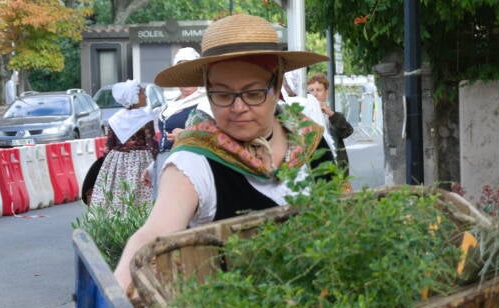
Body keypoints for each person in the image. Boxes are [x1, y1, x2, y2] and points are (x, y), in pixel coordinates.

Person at [113, 13, 333, 290]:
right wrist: (117, 292)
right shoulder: (194, 159)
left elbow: (339, 216)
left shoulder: (310, 139)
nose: (238, 108)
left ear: (277, 86)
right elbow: (154, 232)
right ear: (208, 90)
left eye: (253, 93)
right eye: (223, 94)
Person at [89, 80, 157, 214]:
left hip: (117, 162)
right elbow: (152, 146)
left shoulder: (115, 119)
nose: (145, 96)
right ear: (134, 98)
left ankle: (118, 218)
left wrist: (107, 169)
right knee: (139, 194)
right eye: (142, 93)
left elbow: (108, 147)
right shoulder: (145, 119)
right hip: (140, 162)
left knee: (118, 192)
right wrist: (158, 163)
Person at [150, 47, 208, 198]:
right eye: (182, 72)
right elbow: (163, 138)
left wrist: (186, 135)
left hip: (188, 164)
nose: (186, 77)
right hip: (163, 162)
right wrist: (152, 167)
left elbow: (217, 135)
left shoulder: (205, 101)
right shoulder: (171, 102)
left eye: (190, 72)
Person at [307, 72, 354, 171]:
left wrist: (330, 114)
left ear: (326, 93)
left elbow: (348, 131)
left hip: (335, 165)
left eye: (318, 90)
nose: (314, 94)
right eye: (311, 90)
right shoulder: (304, 114)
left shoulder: (333, 115)